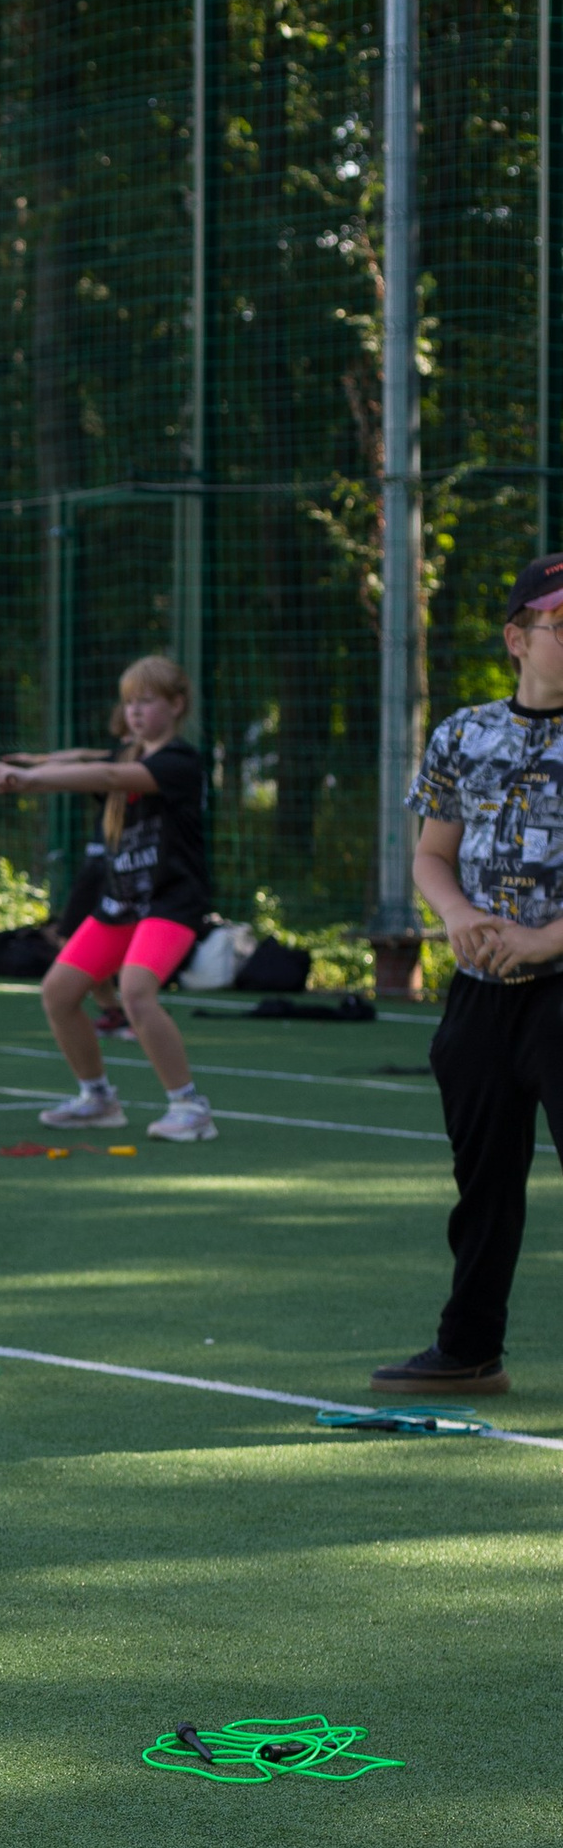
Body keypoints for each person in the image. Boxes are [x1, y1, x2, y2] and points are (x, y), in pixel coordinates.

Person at [371, 547, 563, 1397]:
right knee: (482, 1184)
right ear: (516, 637)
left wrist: (545, 940)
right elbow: (432, 855)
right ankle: (470, 1348)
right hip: (481, 998)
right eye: (562, 624)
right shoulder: (462, 733)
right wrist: (457, 916)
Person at [0, 655, 216, 1144]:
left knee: (135, 992)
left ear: (176, 705)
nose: (134, 711)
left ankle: (190, 1106)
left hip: (170, 903)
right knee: (59, 993)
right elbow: (92, 758)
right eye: (128, 701)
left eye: (146, 701)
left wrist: (29, 780)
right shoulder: (126, 755)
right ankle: (98, 1099)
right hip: (121, 904)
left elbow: (105, 777)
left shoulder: (180, 763)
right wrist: (34, 762)